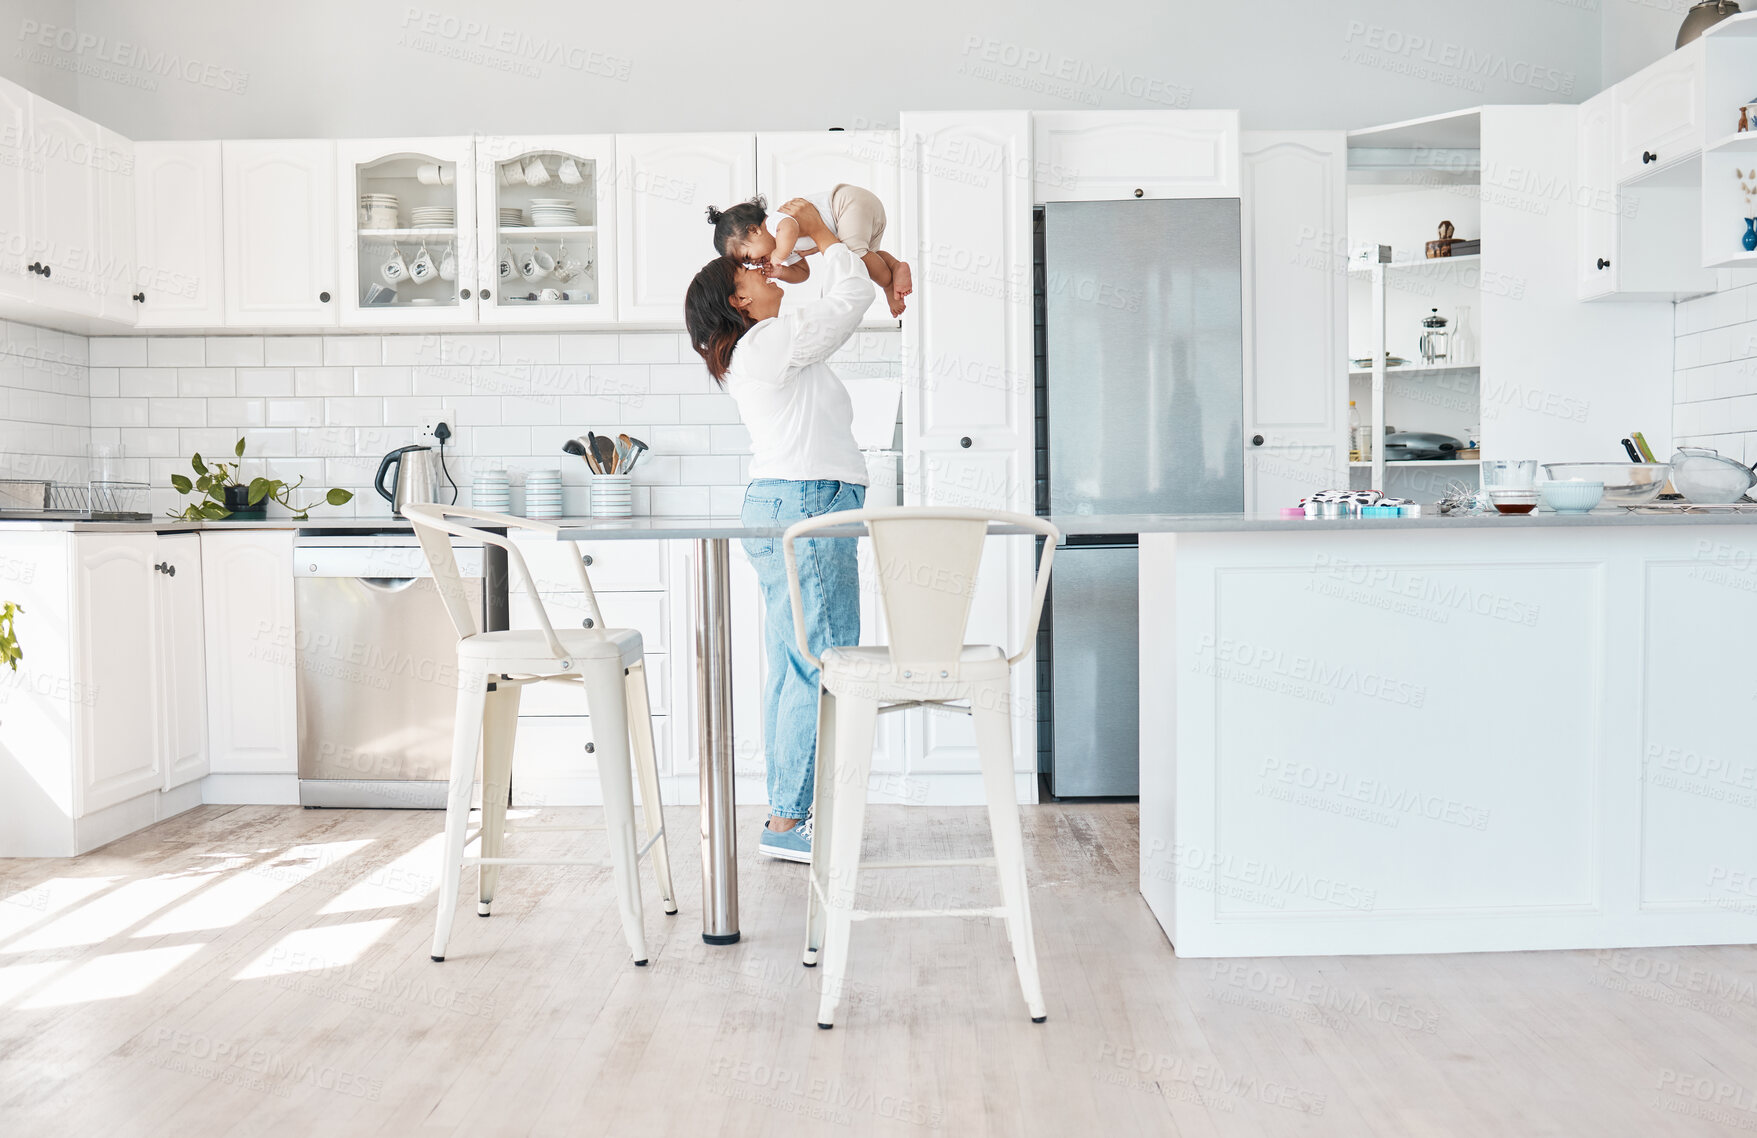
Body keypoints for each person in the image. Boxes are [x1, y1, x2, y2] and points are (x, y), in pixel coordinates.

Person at [683, 198, 873, 862]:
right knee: (821, 661)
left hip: (786, 502)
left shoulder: (760, 345)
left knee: (796, 662)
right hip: (806, 502)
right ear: (737, 302)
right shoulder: (766, 342)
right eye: (750, 275)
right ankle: (789, 822)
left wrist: (803, 256)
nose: (764, 274)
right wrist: (823, 238)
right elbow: (850, 301)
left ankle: (789, 816)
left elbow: (817, 304)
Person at [706, 189, 912, 317]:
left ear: (754, 230)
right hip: (857, 216)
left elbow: (790, 228)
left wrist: (777, 257)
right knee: (863, 258)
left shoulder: (777, 222)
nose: (755, 264)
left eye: (748, 257)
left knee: (854, 257)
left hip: (848, 204)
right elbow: (803, 273)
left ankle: (888, 285)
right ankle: (894, 266)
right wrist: (781, 273)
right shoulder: (784, 247)